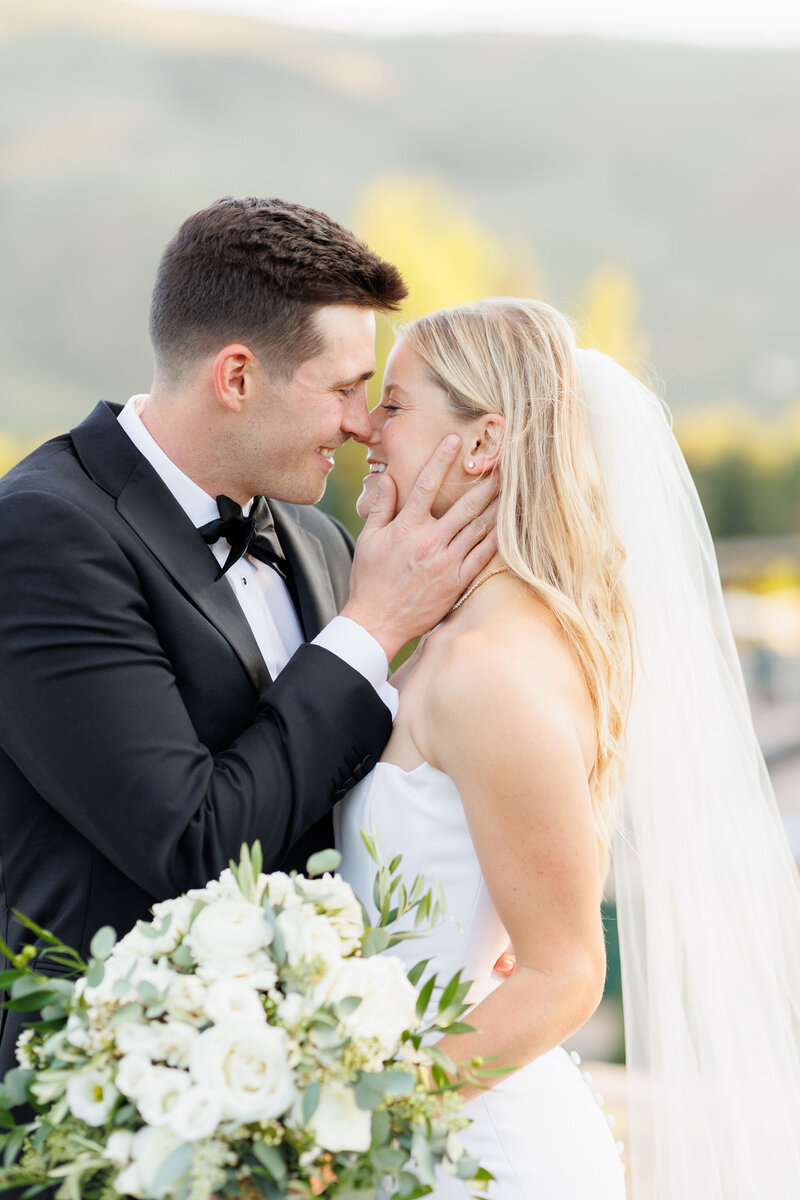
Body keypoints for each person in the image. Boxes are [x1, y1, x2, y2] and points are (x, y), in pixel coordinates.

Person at [0, 197, 499, 1080]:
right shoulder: (44, 534)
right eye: (345, 389)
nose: (363, 426)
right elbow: (192, 843)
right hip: (108, 1101)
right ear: (237, 378)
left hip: (303, 1100)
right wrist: (372, 630)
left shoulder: (319, 540)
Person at [336, 297, 800, 1198]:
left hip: (468, 1153)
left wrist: (355, 1120)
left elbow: (565, 973)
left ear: (482, 444)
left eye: (393, 404)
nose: (365, 427)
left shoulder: (489, 671)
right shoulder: (460, 641)